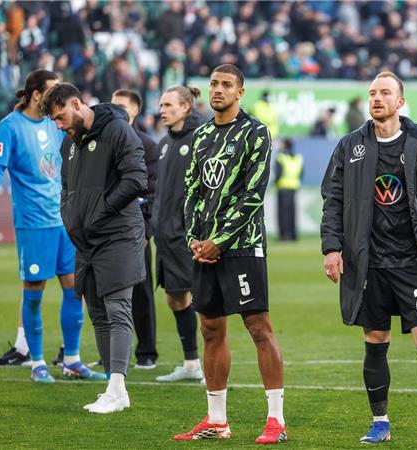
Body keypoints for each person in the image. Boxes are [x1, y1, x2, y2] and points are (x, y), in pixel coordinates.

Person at [321, 71, 417, 445]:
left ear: (400, 102)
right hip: (367, 262)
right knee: (375, 338)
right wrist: (332, 247)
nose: (377, 98)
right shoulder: (350, 145)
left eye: (385, 93)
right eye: (372, 93)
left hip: (413, 261)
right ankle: (380, 422)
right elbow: (333, 200)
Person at [175, 64, 287, 444]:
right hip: (204, 249)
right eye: (213, 84)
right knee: (210, 329)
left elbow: (253, 194)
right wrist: (194, 238)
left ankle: (276, 420)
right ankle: (216, 420)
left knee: (258, 327)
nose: (218, 90)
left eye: (226, 85)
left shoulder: (256, 133)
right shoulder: (202, 134)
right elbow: (191, 192)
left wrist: (219, 240)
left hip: (241, 247)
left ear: (240, 91)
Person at [0, 70, 103, 383]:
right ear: (37, 94)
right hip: (33, 223)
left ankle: (72, 361)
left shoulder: (56, 123)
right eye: (54, 90)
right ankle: (38, 362)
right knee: (34, 289)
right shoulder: (9, 127)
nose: (60, 95)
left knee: (74, 288)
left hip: (64, 221)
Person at [42, 82, 148, 413]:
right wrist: (70, 217)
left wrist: (100, 212)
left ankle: (117, 389)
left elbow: (137, 179)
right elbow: (65, 188)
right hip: (86, 240)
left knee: (118, 308)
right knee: (97, 311)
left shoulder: (117, 129)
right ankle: (114, 388)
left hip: (118, 233)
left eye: (60, 118)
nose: (58, 126)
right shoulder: (68, 144)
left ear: (77, 103)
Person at [152, 85, 205, 383]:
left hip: (188, 236)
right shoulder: (164, 143)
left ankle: (212, 368)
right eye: (161, 105)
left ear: (185, 107)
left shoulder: (200, 139)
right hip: (165, 236)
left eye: (168, 105)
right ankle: (190, 365)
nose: (162, 110)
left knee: (205, 303)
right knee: (175, 298)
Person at [110, 88, 160, 369]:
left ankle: (147, 351)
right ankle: (112, 353)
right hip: (108, 228)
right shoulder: (103, 141)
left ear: (135, 110)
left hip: (136, 230)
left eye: (122, 105)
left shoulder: (147, 145)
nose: (117, 109)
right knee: (105, 290)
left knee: (141, 290)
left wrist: (146, 231)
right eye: (113, 104)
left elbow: (153, 193)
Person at [274, 138, 303, 241]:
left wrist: (276, 183)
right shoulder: (298, 158)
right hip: (294, 187)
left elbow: (278, 174)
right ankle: (293, 235)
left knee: (283, 214)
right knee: (292, 213)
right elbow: (301, 174)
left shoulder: (281, 157)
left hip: (282, 187)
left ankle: (284, 235)